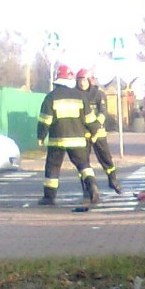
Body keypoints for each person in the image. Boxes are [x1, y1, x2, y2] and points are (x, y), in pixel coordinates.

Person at [36, 65, 102, 205]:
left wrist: (41, 136)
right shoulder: (80, 96)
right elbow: (89, 118)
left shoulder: (51, 97)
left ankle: (49, 197)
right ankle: (92, 188)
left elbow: (45, 120)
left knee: (53, 168)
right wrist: (94, 131)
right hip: (78, 140)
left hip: (57, 140)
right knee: (84, 165)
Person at [76, 69, 123, 194]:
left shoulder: (98, 94)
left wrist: (95, 129)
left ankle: (113, 180)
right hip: (82, 133)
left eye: (84, 80)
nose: (82, 83)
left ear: (90, 80)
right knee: (83, 162)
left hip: (98, 133)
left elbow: (103, 113)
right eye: (79, 80)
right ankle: (87, 188)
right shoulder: (75, 94)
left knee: (106, 158)